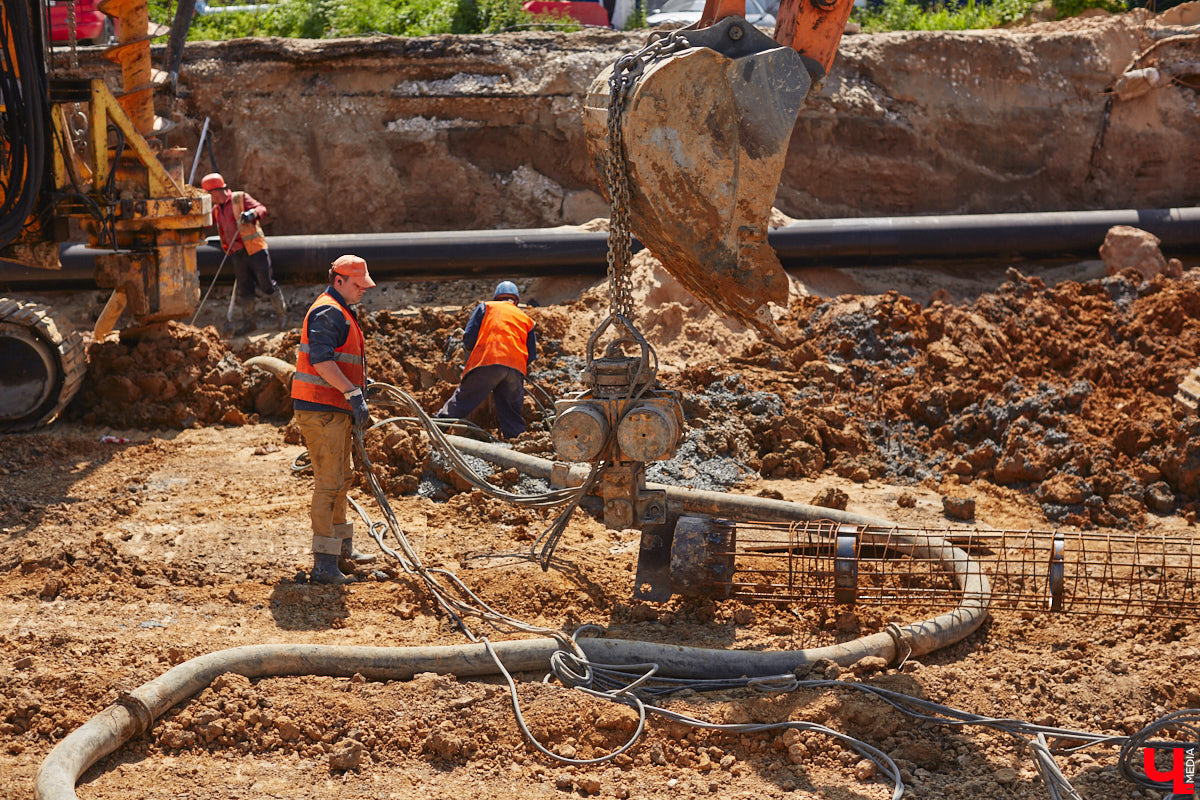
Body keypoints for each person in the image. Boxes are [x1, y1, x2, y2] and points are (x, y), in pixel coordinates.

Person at [290, 255, 379, 585]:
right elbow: (322, 361)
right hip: (320, 409)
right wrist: (352, 393)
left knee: (343, 476)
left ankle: (342, 548)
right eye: (358, 285)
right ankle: (325, 564)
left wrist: (356, 390)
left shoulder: (342, 311)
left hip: (332, 409)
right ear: (338, 280)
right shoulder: (328, 310)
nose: (363, 291)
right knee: (329, 482)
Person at [435, 281, 536, 440]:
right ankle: (518, 446)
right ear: (515, 301)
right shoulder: (526, 318)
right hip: (516, 369)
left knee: (464, 398)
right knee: (511, 414)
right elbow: (532, 355)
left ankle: (435, 429)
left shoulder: (487, 307)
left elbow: (469, 340)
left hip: (490, 359)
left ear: (497, 298)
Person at [201, 172, 287, 334]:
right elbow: (206, 224)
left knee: (266, 282)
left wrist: (251, 214)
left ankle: (282, 317)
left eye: (209, 194)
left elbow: (261, 209)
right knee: (244, 288)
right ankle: (249, 323)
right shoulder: (216, 211)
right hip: (237, 253)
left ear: (216, 191)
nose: (210, 198)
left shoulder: (239, 198)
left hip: (255, 249)